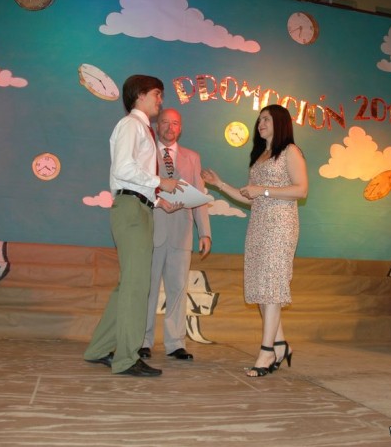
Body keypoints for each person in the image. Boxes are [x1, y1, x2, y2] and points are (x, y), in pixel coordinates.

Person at [83, 75, 184, 377]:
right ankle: (126, 358)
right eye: (157, 94)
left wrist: (157, 200)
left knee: (128, 284)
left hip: (138, 207)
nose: (160, 100)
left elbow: (131, 176)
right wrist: (160, 182)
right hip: (131, 210)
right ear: (140, 95)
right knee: (137, 285)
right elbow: (123, 168)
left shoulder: (140, 128)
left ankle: (99, 348)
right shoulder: (131, 125)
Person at [201, 104, 308, 377]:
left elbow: (301, 190)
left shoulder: (290, 151)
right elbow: (249, 196)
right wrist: (219, 184)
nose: (260, 124)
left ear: (280, 122)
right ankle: (281, 345)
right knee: (262, 288)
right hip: (259, 225)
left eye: (266, 119)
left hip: (280, 226)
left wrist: (264, 191)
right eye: (259, 120)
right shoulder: (260, 156)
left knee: (271, 287)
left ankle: (266, 351)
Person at [141, 108, 212, 361]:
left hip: (182, 234)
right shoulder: (147, 153)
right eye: (165, 122)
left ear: (180, 128)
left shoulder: (192, 157)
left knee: (178, 290)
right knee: (148, 289)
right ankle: (143, 341)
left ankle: (175, 343)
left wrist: (205, 233)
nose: (170, 127)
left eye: (175, 123)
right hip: (151, 231)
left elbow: (199, 196)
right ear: (157, 126)